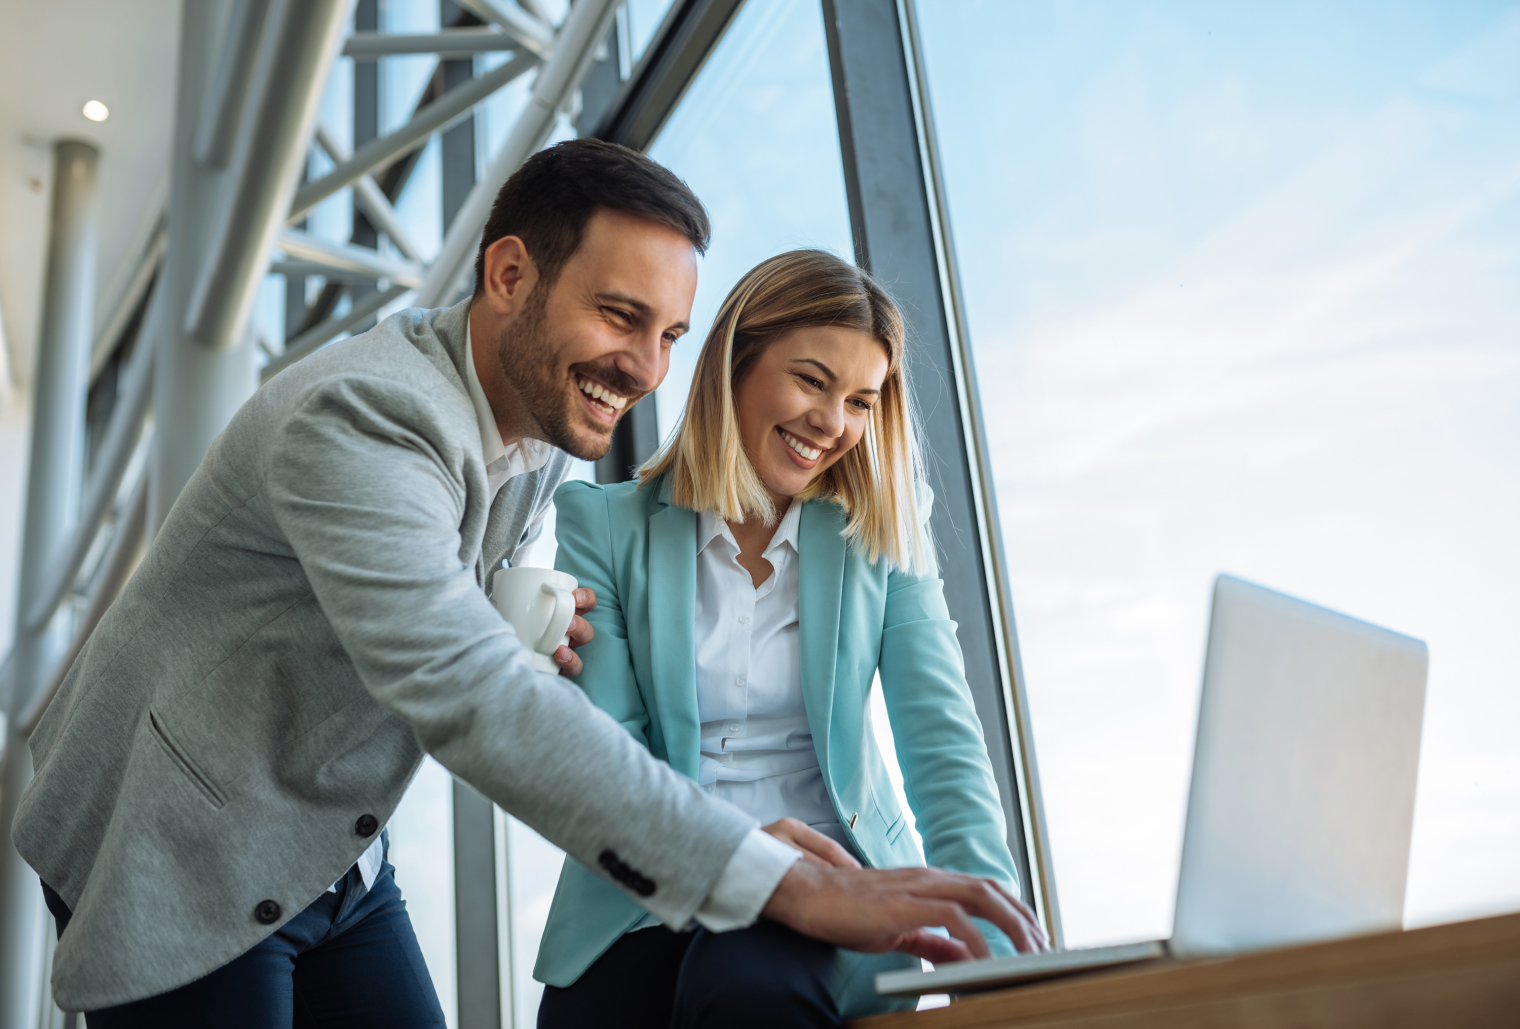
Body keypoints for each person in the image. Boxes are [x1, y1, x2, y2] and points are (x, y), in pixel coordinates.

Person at [13, 142, 1041, 1026]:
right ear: (508, 274)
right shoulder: (367, 415)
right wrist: (782, 882)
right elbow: (468, 693)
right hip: (183, 830)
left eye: (669, 335)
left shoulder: (544, 422)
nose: (643, 366)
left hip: (333, 847)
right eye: (618, 314)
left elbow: (446, 622)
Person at [534, 250, 1044, 1028]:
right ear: (736, 364)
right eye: (812, 380)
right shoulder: (604, 524)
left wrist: (1000, 958)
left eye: (861, 401)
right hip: (645, 887)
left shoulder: (882, 531)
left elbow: (943, 749)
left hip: (837, 885)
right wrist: (734, 854)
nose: (833, 424)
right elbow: (612, 754)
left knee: (748, 988)